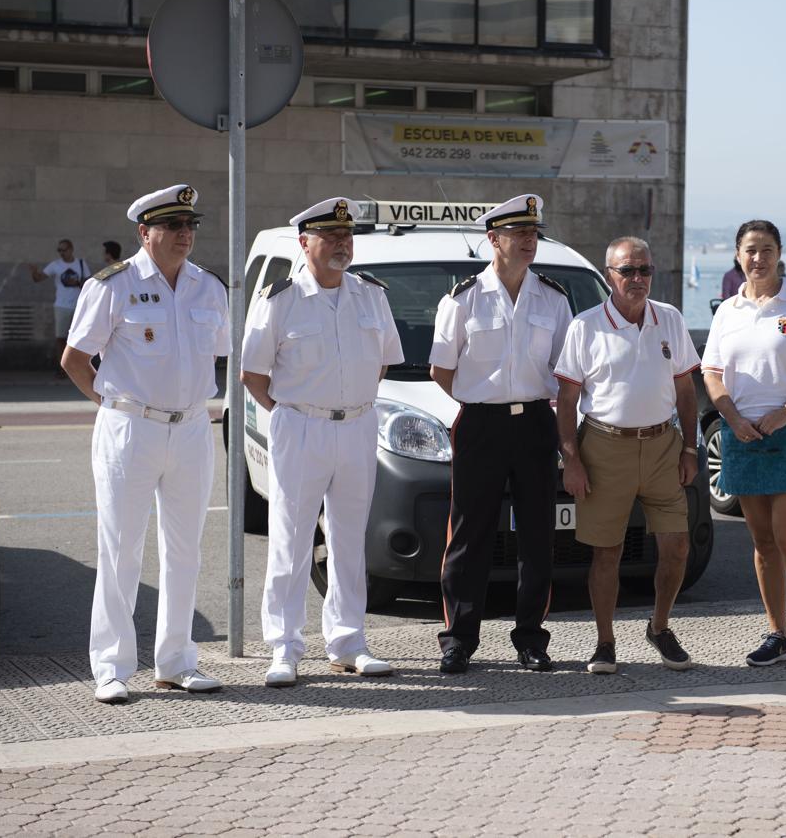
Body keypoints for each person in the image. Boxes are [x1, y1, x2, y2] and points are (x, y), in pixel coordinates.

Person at [61, 184, 230, 704]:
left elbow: (218, 355)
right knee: (120, 551)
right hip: (130, 428)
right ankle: (111, 668)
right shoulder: (113, 285)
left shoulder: (209, 287)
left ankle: (176, 662)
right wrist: (114, 404)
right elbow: (74, 359)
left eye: (190, 226)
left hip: (192, 427)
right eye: (173, 227)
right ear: (145, 232)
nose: (185, 235)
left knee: (185, 552)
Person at [241, 198, 404, 687]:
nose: (341, 244)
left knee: (349, 540)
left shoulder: (371, 295)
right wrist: (294, 412)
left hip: (356, 425)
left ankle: (349, 641)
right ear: (304, 243)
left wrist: (346, 404)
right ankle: (285, 647)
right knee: (290, 540)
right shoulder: (280, 299)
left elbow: (382, 362)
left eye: (346, 236)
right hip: (301, 426)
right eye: (330, 236)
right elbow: (252, 374)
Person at [429, 193, 573, 674]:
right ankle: (458, 640)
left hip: (535, 421)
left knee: (537, 535)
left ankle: (531, 638)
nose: (529, 242)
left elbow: (565, 368)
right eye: (518, 234)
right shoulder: (463, 297)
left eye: (533, 234)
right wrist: (483, 399)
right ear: (493, 239)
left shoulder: (552, 298)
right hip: (481, 423)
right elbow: (441, 370)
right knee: (470, 534)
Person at [554, 237, 701, 674]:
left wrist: (691, 448)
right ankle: (604, 642)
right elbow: (565, 399)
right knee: (607, 551)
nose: (637, 279)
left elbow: (686, 390)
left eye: (644, 270)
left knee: (677, 546)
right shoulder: (585, 326)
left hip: (662, 447)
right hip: (604, 446)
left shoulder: (669, 319)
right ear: (609, 276)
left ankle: (659, 628)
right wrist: (572, 460)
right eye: (627, 271)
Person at [702, 219, 786, 673]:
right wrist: (732, 417)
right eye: (749, 250)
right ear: (737, 255)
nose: (757, 258)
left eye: (765, 249)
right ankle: (778, 635)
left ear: (780, 252)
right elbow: (712, 372)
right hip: (742, 434)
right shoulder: (728, 310)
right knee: (762, 542)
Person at [29, 239, 91, 375]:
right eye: (59, 250)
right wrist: (34, 272)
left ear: (71, 249)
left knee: (80, 338)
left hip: (78, 306)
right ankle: (62, 368)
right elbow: (38, 278)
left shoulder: (80, 264)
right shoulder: (55, 265)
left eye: (64, 250)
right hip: (61, 306)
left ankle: (79, 367)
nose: (61, 253)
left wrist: (76, 282)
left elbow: (89, 284)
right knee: (61, 338)